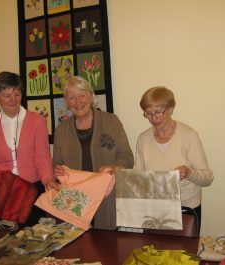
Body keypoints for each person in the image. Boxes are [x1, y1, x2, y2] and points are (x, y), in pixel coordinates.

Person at [0, 71, 58, 224]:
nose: (13, 100)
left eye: (17, 94)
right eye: (7, 96)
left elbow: (42, 158)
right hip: (1, 192)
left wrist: (48, 180)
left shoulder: (37, 121)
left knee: (31, 239)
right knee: (1, 239)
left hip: (31, 191)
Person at [53, 76, 134, 230]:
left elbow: (127, 157)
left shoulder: (111, 121)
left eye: (82, 95)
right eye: (72, 97)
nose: (78, 102)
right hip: (75, 201)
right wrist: (57, 171)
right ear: (67, 102)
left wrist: (114, 167)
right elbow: (56, 163)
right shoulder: (62, 129)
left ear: (90, 96)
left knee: (106, 248)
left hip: (107, 198)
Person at [135, 86, 213, 229]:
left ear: (170, 109)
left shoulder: (188, 136)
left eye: (158, 112)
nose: (153, 118)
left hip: (186, 209)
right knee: (153, 250)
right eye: (148, 113)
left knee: (182, 251)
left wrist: (189, 173)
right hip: (154, 210)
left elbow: (208, 178)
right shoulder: (143, 139)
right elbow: (138, 178)